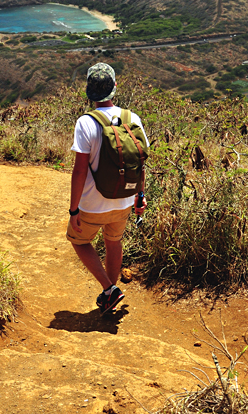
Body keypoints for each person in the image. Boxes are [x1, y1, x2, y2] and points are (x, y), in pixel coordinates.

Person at [67, 63, 148, 315]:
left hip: (93, 203)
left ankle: (108, 289)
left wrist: (73, 209)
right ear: (114, 87)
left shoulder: (85, 122)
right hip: (124, 199)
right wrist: (140, 196)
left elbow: (80, 170)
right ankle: (110, 294)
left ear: (89, 92)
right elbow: (140, 161)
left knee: (78, 241)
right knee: (114, 242)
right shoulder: (132, 118)